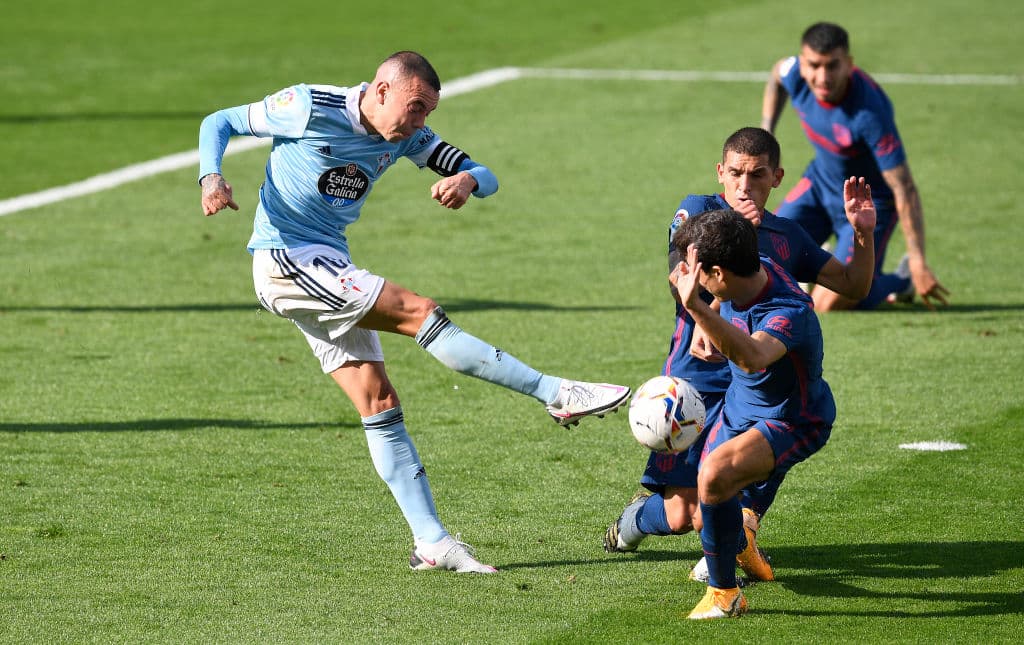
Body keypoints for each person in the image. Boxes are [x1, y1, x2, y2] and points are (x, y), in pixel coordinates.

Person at [197, 51, 630, 574]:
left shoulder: (406, 136)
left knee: (378, 400)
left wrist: (467, 181)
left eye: (429, 112)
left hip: (329, 261)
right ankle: (556, 393)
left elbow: (484, 173)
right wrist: (211, 178)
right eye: (417, 106)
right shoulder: (309, 106)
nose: (421, 122)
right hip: (286, 259)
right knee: (418, 312)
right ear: (382, 91)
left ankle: (431, 542)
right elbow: (218, 121)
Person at [604, 128, 873, 585]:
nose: (744, 186)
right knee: (683, 514)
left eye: (757, 175)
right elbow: (678, 278)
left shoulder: (787, 236)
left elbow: (853, 285)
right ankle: (635, 521)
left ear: (777, 178)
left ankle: (730, 555)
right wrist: (736, 233)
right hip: (695, 378)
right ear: (720, 172)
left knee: (742, 469)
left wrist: (862, 235)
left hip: (753, 380)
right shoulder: (699, 212)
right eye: (735, 174)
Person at [670, 209, 836, 619]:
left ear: (719, 273)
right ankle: (741, 542)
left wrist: (697, 309)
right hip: (739, 408)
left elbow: (754, 357)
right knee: (705, 518)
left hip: (792, 419)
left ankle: (724, 594)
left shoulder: (789, 311)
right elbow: (727, 310)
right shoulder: (749, 268)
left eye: (697, 274)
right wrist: (709, 319)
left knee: (714, 476)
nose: (690, 281)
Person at [761, 21, 949, 310]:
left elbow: (904, 187)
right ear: (802, 63)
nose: (822, 77)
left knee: (828, 302)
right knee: (764, 250)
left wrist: (919, 261)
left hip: (867, 203)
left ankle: (902, 280)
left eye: (832, 66)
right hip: (820, 185)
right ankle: (820, 260)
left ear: (849, 64)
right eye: (814, 65)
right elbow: (777, 73)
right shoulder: (794, 73)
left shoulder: (869, 113)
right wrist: (768, 132)